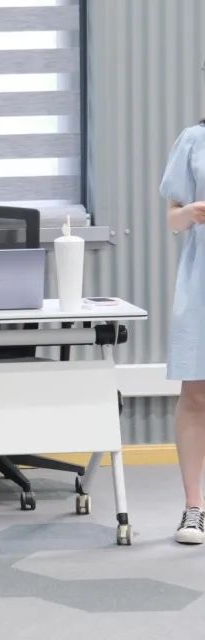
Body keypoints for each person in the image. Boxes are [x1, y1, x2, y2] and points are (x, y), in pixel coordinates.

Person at [160, 118, 205, 544]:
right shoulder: (194, 140)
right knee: (196, 395)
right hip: (201, 283)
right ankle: (194, 509)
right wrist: (189, 213)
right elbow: (173, 219)